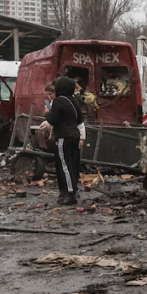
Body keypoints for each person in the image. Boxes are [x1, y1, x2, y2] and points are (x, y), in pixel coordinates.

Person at [46, 76, 84, 206]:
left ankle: (69, 193)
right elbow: (80, 119)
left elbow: (53, 120)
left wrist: (47, 115)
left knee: (64, 165)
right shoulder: (74, 100)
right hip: (75, 135)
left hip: (63, 136)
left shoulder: (59, 101)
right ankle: (70, 190)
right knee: (72, 164)